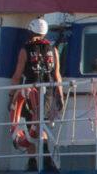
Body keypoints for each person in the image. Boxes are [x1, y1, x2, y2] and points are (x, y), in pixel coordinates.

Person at [10, 16, 64, 166]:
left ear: (30, 31)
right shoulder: (53, 50)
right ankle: (46, 156)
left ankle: (33, 160)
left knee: (31, 125)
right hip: (48, 93)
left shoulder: (24, 50)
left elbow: (17, 75)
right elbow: (57, 75)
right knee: (41, 124)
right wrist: (60, 95)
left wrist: (11, 96)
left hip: (30, 91)